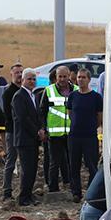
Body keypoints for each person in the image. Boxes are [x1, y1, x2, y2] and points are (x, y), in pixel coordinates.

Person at [67, 67, 103, 201]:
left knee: (92, 165)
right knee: (74, 165)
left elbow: (99, 117)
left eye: (83, 77)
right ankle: (76, 192)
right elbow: (70, 114)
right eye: (79, 77)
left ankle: (91, 193)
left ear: (89, 79)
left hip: (90, 137)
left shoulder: (96, 97)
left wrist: (93, 126)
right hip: (74, 136)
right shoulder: (73, 96)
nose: (80, 80)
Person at [38, 65, 74, 195]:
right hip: (54, 134)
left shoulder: (75, 90)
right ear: (56, 77)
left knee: (72, 161)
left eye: (65, 76)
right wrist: (42, 128)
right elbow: (42, 112)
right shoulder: (49, 91)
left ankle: (72, 186)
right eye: (60, 76)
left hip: (71, 133)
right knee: (54, 162)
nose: (62, 79)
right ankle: (53, 188)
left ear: (69, 76)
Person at [11, 69, 42, 206]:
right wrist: (36, 131)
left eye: (34, 79)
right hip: (24, 139)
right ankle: (23, 198)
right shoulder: (19, 96)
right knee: (27, 169)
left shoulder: (33, 95)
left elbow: (36, 115)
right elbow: (22, 118)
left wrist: (40, 129)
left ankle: (29, 195)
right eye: (29, 79)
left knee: (33, 169)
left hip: (33, 139)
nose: (32, 81)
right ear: (23, 80)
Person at [1, 64, 25, 200]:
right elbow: (8, 115)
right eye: (16, 72)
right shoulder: (8, 93)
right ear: (11, 74)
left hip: (23, 132)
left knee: (24, 162)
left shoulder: (25, 91)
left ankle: (23, 190)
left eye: (21, 72)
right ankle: (7, 190)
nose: (19, 75)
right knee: (11, 161)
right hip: (12, 131)